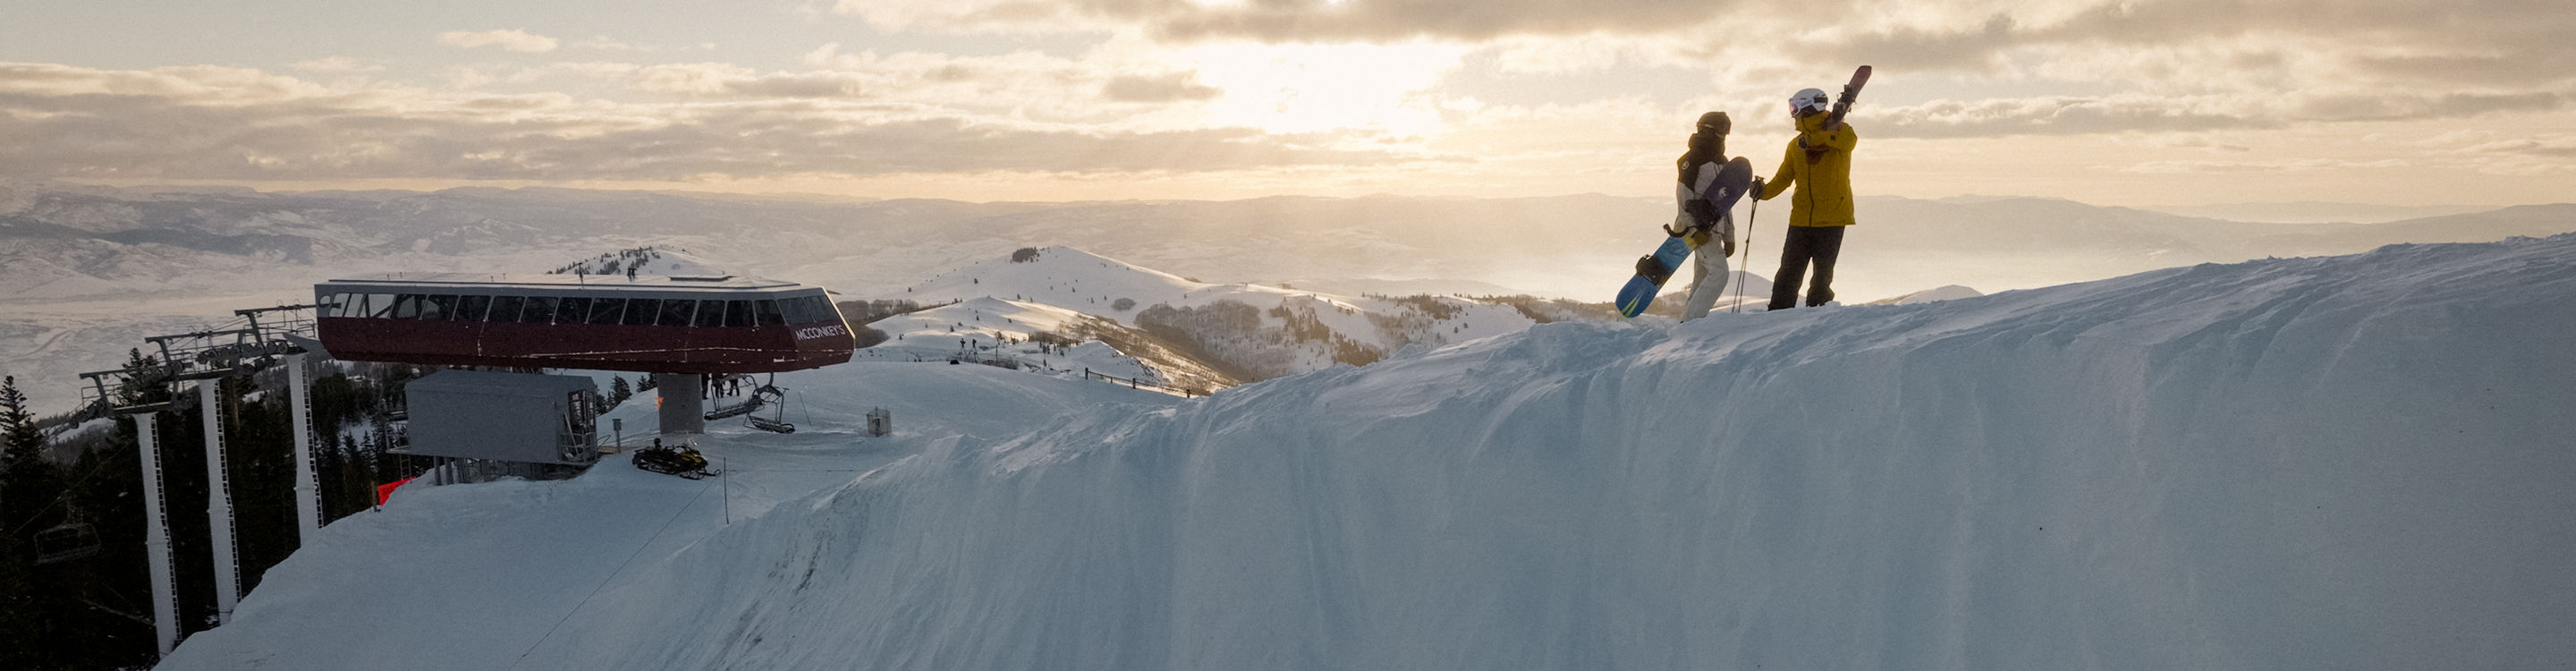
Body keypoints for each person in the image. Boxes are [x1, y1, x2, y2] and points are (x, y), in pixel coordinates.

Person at [1750, 86, 1859, 310]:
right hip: (1801, 219)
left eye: (1795, 107)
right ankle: (1778, 314)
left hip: (1832, 218)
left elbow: (1849, 142)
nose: (1793, 113)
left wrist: (1814, 140)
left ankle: (1816, 319)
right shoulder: (1795, 146)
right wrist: (1764, 192)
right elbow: (1784, 178)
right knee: (1788, 274)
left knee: (1821, 279)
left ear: (1809, 107)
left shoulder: (1840, 132)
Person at [1672, 111, 1740, 321]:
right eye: (1721, 133)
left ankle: (1688, 322)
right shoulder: (1691, 160)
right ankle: (1691, 321)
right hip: (1697, 230)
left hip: (1714, 231)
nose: (1724, 138)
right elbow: (1683, 198)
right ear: (1709, 131)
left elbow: (1726, 202)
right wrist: (1693, 230)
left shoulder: (1722, 162)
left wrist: (1729, 236)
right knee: (1719, 273)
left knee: (1702, 278)